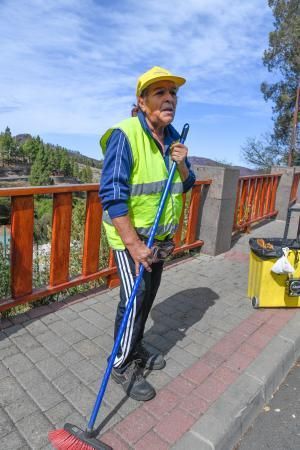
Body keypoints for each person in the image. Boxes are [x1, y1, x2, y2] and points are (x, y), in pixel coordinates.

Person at [99, 66, 196, 401]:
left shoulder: (173, 140)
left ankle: (135, 347)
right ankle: (121, 364)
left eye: (173, 93)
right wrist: (135, 245)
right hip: (131, 241)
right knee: (135, 297)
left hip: (160, 241)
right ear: (142, 102)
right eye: (160, 93)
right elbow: (112, 195)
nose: (170, 98)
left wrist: (182, 163)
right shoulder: (124, 135)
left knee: (148, 295)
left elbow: (187, 184)